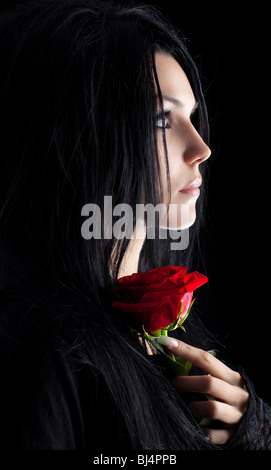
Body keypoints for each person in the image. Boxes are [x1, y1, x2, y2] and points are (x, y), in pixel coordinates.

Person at [0, 0, 270, 451]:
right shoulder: (37, 350)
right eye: (162, 120)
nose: (201, 148)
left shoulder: (146, 329)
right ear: (79, 137)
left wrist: (248, 433)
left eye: (192, 117)